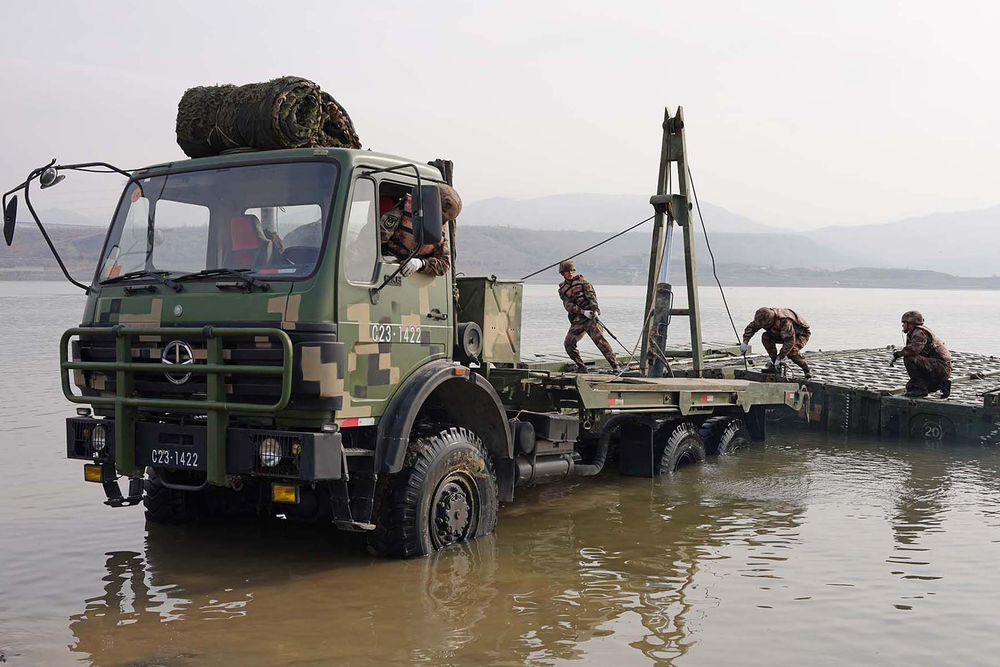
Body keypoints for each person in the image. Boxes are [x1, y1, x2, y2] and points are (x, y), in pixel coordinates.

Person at [379, 183, 461, 277]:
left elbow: (444, 264)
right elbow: (378, 236)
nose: (438, 221)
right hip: (387, 269)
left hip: (412, 280)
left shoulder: (439, 233)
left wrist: (421, 264)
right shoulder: (405, 210)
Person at [557, 260, 619, 373]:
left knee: (600, 341)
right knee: (568, 343)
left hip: (591, 318)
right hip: (578, 319)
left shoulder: (584, 283)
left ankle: (615, 365)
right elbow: (568, 305)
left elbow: (592, 298)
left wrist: (594, 311)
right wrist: (581, 311)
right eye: (567, 271)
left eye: (572, 271)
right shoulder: (562, 289)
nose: (570, 273)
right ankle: (581, 367)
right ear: (563, 273)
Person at [892, 310, 952, 398]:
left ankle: (921, 389)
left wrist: (897, 354)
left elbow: (913, 350)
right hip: (939, 366)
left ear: (911, 323)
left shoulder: (919, 332)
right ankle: (942, 385)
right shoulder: (917, 331)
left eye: (904, 323)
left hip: (941, 367)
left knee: (909, 359)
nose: (902, 325)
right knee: (910, 387)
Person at [740, 307, 812, 379]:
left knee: (792, 351)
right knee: (766, 337)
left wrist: (780, 357)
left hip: (800, 334)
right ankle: (776, 366)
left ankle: (806, 369)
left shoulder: (784, 321)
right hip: (780, 333)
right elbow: (751, 328)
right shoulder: (762, 317)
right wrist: (745, 342)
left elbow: (789, 341)